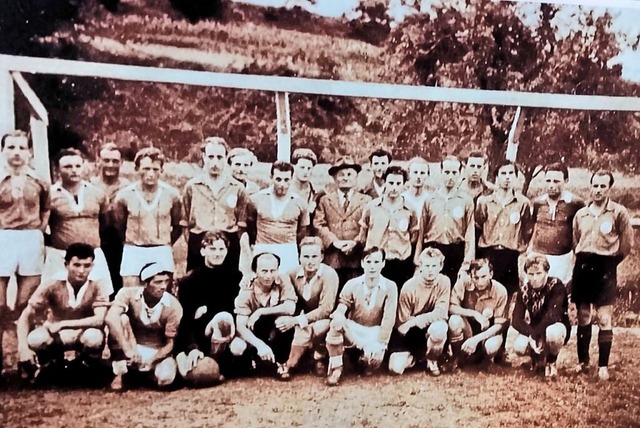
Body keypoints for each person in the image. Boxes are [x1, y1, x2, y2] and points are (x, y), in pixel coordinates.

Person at [572, 170, 633, 381]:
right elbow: (575, 241)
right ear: (590, 186)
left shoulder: (618, 212)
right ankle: (583, 362)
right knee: (583, 315)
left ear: (609, 188)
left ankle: (603, 366)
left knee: (604, 317)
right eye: (595, 186)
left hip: (605, 266)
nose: (598, 190)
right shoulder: (581, 214)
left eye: (602, 186)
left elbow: (626, 245)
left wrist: (611, 263)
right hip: (583, 265)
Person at [16, 243, 109, 381]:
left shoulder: (97, 283)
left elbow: (99, 319)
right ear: (66, 265)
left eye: (87, 266)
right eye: (76, 265)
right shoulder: (52, 283)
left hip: (84, 332)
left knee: (93, 338)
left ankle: (89, 366)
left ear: (92, 266)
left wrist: (64, 324)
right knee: (36, 339)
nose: (81, 271)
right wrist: (23, 347)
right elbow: (26, 315)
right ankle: (49, 364)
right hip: (56, 333)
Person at [0, 130, 50, 377]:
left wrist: (36, 232)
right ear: (3, 151)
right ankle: (1, 359)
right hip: (3, 237)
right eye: (11, 148)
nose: (16, 153)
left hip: (30, 238)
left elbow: (47, 209)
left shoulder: (39, 180)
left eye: (21, 148)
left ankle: (26, 358)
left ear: (29, 152)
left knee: (26, 302)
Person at [175, 231, 242, 386]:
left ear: (227, 251)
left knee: (224, 319)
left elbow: (236, 311)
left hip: (228, 333)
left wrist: (207, 310)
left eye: (221, 249)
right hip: (201, 336)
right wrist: (192, 348)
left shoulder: (236, 278)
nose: (217, 254)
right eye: (212, 249)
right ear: (202, 250)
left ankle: (222, 362)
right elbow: (185, 320)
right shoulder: (189, 281)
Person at [44, 149, 113, 296]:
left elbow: (105, 223)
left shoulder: (97, 193)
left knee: (99, 297)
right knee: (58, 299)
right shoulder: (49, 195)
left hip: (93, 255)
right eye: (68, 167)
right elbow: (43, 225)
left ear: (84, 166)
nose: (74, 171)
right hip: (61, 256)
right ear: (57, 169)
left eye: (77, 166)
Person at [324, 247, 398, 386]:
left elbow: (389, 318)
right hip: (355, 331)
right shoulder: (352, 284)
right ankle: (336, 368)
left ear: (383, 263)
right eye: (368, 261)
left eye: (377, 262)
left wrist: (381, 344)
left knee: (370, 367)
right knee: (336, 323)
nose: (372, 266)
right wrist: (339, 314)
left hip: (375, 333)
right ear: (362, 263)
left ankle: (362, 360)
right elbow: (343, 305)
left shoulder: (390, 287)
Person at [111, 147, 183, 287]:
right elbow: (119, 225)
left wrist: (163, 242)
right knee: (130, 294)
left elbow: (177, 225)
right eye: (146, 168)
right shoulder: (124, 195)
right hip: (134, 249)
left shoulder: (172, 195)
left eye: (155, 169)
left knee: (162, 295)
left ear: (162, 170)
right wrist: (133, 240)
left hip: (161, 249)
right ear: (137, 168)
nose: (150, 174)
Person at [106, 262, 183, 390]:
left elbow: (171, 343)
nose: (163, 286)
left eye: (166, 281)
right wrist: (129, 350)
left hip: (157, 351)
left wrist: (152, 360)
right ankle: (120, 373)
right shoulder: (127, 294)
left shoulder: (173, 305)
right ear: (144, 283)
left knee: (166, 378)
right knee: (122, 318)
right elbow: (110, 318)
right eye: (158, 282)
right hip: (131, 347)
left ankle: (141, 375)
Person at [182, 137, 248, 271]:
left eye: (219, 157)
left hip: (228, 241)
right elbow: (185, 222)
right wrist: (195, 241)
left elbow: (242, 222)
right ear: (204, 157)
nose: (215, 162)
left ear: (226, 158)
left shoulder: (237, 187)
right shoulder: (192, 186)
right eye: (211, 157)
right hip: (199, 240)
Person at [278, 237, 339, 379]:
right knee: (285, 323)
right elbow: (283, 289)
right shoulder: (291, 273)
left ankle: (315, 358)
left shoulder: (329, 275)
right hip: (302, 317)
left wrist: (297, 320)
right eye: (305, 256)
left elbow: (326, 309)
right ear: (299, 257)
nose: (310, 261)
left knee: (312, 328)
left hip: (325, 319)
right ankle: (290, 361)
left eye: (314, 256)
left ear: (322, 257)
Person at [232, 252, 297, 379]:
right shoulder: (247, 290)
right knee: (237, 348)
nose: (269, 275)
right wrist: (260, 345)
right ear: (255, 272)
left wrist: (260, 311)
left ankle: (281, 362)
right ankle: (253, 358)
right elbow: (240, 326)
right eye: (264, 271)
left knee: (285, 321)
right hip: (254, 330)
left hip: (273, 327)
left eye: (273, 270)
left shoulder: (283, 280)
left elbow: (290, 307)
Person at [388, 248, 450, 376]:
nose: (430, 270)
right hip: (411, 335)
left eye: (434, 266)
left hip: (430, 329)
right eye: (427, 265)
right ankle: (417, 358)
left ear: (441, 266)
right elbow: (402, 326)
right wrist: (415, 324)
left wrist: (416, 320)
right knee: (395, 368)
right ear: (420, 266)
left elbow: (441, 313)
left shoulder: (444, 282)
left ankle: (432, 359)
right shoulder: (409, 286)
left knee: (439, 328)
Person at [476, 160, 532, 298]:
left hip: (510, 254)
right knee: (487, 292)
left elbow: (527, 229)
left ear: (515, 177)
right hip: (488, 253)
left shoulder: (522, 203)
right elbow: (478, 224)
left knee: (508, 293)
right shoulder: (485, 202)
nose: (507, 177)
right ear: (496, 177)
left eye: (511, 173)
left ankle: (505, 319)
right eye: (503, 173)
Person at [416, 155, 475, 286]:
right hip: (432, 250)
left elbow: (470, 233)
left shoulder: (466, 200)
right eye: (447, 172)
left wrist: (467, 262)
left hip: (455, 251)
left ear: (460, 174)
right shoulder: (430, 200)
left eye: (454, 173)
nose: (450, 176)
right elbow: (421, 231)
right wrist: (417, 259)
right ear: (441, 172)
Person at [357, 166, 418, 290]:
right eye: (391, 183)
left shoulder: (410, 209)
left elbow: (413, 236)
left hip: (400, 263)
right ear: (384, 182)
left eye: (398, 183)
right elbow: (363, 235)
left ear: (404, 185)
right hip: (377, 263)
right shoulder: (371, 207)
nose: (394, 187)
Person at [314, 156, 371, 287]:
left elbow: (369, 226)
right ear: (334, 178)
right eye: (341, 175)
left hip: (356, 259)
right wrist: (335, 242)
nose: (345, 178)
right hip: (333, 259)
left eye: (350, 174)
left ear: (356, 177)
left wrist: (355, 242)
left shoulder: (366, 200)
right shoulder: (325, 200)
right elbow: (319, 224)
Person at [511, 254, 571, 378]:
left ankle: (551, 360)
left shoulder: (556, 285)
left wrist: (534, 335)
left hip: (556, 327)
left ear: (546, 272)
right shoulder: (524, 290)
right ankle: (536, 358)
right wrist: (531, 334)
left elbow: (553, 315)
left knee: (552, 333)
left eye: (539, 273)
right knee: (519, 346)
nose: (535, 278)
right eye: (531, 274)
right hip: (535, 328)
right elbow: (516, 320)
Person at [246, 161, 310, 273]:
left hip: (288, 249)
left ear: (291, 179)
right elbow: (250, 224)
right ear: (271, 177)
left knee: (288, 284)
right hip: (263, 248)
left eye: (286, 180)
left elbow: (302, 230)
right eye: (278, 179)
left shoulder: (300, 202)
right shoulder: (257, 199)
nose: (282, 184)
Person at [529, 163, 585, 286]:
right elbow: (532, 227)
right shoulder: (538, 202)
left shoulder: (575, 203)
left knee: (559, 293)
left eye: (556, 181)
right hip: (539, 256)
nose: (551, 185)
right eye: (548, 181)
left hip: (562, 259)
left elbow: (581, 229)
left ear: (566, 181)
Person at [448, 258, 508, 369]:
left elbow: (500, 325)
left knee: (491, 346)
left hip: (487, 331)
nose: (479, 282)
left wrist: (477, 339)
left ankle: (487, 359)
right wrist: (474, 314)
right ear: (470, 276)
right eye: (476, 277)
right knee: (454, 321)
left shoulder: (500, 290)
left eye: (483, 277)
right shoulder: (463, 282)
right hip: (468, 327)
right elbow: (451, 306)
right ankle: (458, 357)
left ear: (491, 274)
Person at [90, 142, 130, 295]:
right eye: (106, 160)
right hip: (97, 240)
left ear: (121, 163)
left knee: (118, 280)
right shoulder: (89, 186)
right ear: (98, 161)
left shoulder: (127, 187)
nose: (110, 165)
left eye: (115, 161)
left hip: (121, 242)